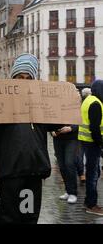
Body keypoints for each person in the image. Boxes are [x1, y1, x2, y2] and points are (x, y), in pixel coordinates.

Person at [0, 54, 63, 224]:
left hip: (34, 170)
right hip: (10, 171)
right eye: (20, 77)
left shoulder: (41, 105)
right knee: (8, 215)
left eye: (28, 78)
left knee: (28, 216)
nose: (24, 82)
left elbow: (58, 122)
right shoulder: (0, 104)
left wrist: (69, 103)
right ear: (13, 78)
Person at [78, 80, 103, 216]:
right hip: (93, 142)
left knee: (93, 172)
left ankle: (88, 201)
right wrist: (101, 144)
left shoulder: (87, 100)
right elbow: (94, 128)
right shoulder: (96, 104)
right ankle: (91, 204)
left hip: (87, 141)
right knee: (93, 174)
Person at [52, 124, 79, 204]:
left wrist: (71, 128)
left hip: (71, 138)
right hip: (57, 139)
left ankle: (73, 193)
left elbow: (81, 121)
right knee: (62, 166)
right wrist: (51, 131)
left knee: (69, 164)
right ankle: (68, 190)